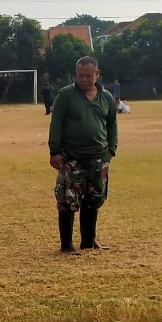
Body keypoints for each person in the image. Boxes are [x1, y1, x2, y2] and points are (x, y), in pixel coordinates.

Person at [48, 55, 118, 254]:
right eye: (80, 76)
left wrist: (110, 150)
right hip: (71, 157)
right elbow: (56, 124)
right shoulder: (66, 95)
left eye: (88, 75)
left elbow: (112, 125)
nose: (84, 79)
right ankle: (66, 245)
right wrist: (55, 150)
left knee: (94, 199)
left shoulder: (107, 98)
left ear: (97, 74)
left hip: (99, 158)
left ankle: (89, 241)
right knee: (67, 201)